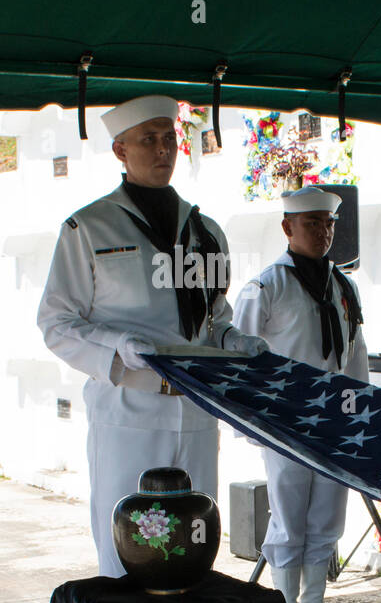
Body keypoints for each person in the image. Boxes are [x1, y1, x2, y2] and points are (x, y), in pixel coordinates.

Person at [38, 95, 267, 577]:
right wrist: (117, 347)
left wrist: (233, 341)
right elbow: (57, 323)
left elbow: (213, 318)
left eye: (169, 138)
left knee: (194, 542)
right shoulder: (89, 227)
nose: (162, 149)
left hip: (197, 408)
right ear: (121, 151)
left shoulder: (206, 232)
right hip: (129, 410)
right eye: (148, 140)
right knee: (128, 546)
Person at [233, 187, 367, 603]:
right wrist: (254, 423)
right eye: (311, 223)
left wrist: (359, 414)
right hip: (286, 421)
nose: (323, 232)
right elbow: (242, 357)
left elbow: (355, 355)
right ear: (288, 227)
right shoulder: (267, 286)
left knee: (328, 516)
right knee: (289, 517)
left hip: (334, 420)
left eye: (328, 224)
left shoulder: (343, 285)